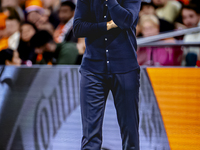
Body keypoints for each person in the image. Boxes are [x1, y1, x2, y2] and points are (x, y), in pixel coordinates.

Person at [73, 0, 141, 149]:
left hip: (125, 68)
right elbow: (78, 28)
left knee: (130, 134)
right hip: (92, 69)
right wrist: (108, 25)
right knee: (90, 137)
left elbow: (126, 21)